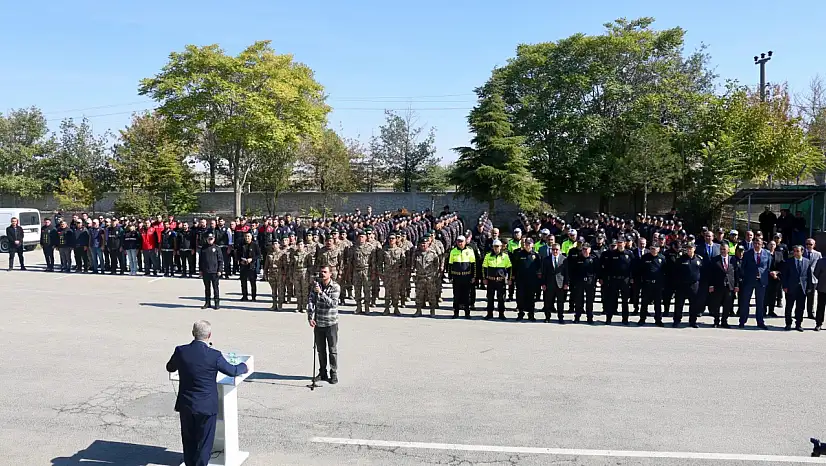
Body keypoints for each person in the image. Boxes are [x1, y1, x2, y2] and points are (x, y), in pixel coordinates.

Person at [166, 320, 248, 466]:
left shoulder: (181, 351)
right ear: (209, 335)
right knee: (205, 442)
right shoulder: (214, 355)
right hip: (206, 406)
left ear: (193, 333)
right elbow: (232, 371)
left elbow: (170, 367)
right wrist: (244, 366)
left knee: (188, 439)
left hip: (186, 404)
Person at [308, 265, 341, 385]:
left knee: (332, 350)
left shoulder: (335, 287)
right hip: (318, 322)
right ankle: (322, 372)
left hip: (331, 323)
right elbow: (311, 300)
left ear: (330, 274)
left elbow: (332, 304)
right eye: (321, 272)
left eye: (325, 272)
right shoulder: (316, 286)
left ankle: (333, 372)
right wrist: (310, 317)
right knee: (320, 350)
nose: (322, 274)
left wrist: (321, 293)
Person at [739, 238, 770, 329]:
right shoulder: (747, 253)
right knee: (745, 302)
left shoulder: (767, 253)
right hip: (749, 281)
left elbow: (768, 266)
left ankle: (760, 322)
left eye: (758, 243)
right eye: (755, 243)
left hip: (761, 282)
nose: (756, 245)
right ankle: (742, 321)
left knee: (760, 303)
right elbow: (743, 267)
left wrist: (762, 275)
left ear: (762, 244)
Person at [782, 245, 811, 332]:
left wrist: (809, 287)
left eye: (797, 251)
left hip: (802, 288)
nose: (795, 253)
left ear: (802, 252)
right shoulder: (788, 262)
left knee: (800, 307)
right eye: (794, 251)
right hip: (791, 288)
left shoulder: (807, 261)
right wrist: (785, 286)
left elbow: (809, 275)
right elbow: (784, 276)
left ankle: (798, 324)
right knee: (789, 307)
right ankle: (788, 323)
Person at [482, 239, 512, 320]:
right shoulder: (488, 256)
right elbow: (484, 268)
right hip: (491, 281)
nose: (496, 248)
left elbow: (509, 268)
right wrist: (484, 278)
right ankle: (489, 314)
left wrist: (509, 279)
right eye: (495, 246)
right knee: (490, 298)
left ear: (501, 247)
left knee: (501, 298)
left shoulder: (505, 256)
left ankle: (501, 314)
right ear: (492, 247)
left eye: (498, 246)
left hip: (500, 281)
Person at [448, 235, 476, 319]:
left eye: (461, 241)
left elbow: (473, 265)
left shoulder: (470, 250)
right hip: (456, 277)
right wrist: (450, 276)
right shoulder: (453, 251)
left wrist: (473, 276)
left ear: (465, 242)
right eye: (458, 241)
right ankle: (456, 312)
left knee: (466, 295)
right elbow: (450, 264)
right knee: (456, 295)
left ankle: (467, 313)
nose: (460, 243)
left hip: (466, 276)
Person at [540, 243, 568, 323]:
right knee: (548, 302)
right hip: (549, 284)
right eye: (553, 249)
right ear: (551, 250)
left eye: (557, 249)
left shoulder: (564, 259)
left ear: (560, 250)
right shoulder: (546, 259)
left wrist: (566, 283)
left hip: (560, 284)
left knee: (560, 302)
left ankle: (560, 317)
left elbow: (566, 273)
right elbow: (543, 273)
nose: (555, 251)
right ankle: (547, 317)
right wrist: (543, 284)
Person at [199, 234, 223, 310]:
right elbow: (200, 260)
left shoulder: (217, 248)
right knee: (207, 288)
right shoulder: (203, 248)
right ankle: (207, 303)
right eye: (209, 239)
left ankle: (216, 303)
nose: (210, 240)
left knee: (215, 288)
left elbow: (220, 260)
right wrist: (200, 270)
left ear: (214, 239)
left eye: (211, 239)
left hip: (215, 272)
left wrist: (220, 270)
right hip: (206, 271)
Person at [237, 232, 261, 302]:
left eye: (248, 236)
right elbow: (237, 254)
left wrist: (252, 259)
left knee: (252, 282)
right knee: (243, 282)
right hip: (243, 265)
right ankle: (244, 296)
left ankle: (253, 297)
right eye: (246, 236)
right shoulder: (241, 245)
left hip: (251, 266)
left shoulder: (255, 245)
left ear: (251, 237)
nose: (247, 238)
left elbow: (259, 255)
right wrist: (240, 260)